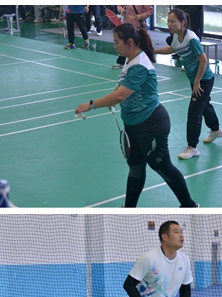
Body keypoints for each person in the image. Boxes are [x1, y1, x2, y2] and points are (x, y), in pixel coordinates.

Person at [75, 24, 198, 208]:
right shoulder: (130, 60)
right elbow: (121, 88)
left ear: (130, 42)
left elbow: (120, 95)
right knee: (136, 167)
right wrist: (114, 98)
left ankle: (190, 206)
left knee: (161, 166)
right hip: (133, 124)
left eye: (117, 42)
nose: (115, 46)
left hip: (150, 124)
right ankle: (129, 209)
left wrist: (92, 104)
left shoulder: (140, 64)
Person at [154, 8, 222, 160]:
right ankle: (216, 130)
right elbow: (172, 48)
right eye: (168, 21)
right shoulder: (176, 36)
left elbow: (203, 60)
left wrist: (197, 81)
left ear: (182, 23)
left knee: (194, 112)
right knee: (204, 105)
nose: (169, 24)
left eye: (172, 21)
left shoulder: (191, 38)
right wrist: (153, 51)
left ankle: (192, 147)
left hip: (203, 79)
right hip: (194, 79)